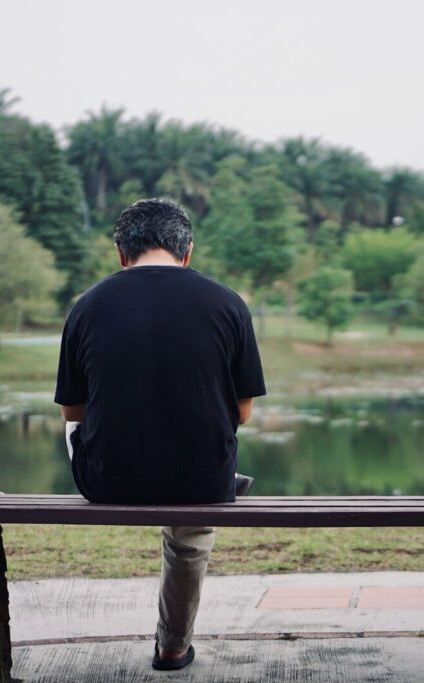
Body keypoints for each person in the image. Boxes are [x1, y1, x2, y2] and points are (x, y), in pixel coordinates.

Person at [54, 198, 265, 671]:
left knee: (80, 425)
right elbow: (243, 413)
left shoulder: (87, 305)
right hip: (199, 482)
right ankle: (173, 647)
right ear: (187, 251)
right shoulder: (228, 303)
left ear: (120, 253)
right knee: (193, 523)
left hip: (108, 481)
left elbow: (74, 411)